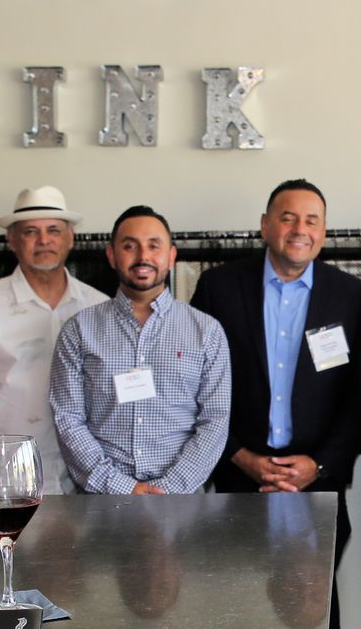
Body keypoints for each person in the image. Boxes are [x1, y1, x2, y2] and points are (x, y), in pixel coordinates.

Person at [190, 179, 361, 629]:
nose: (300, 229)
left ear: (326, 229)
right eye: (288, 217)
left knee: (314, 610)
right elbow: (205, 384)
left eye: (313, 219)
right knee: (241, 609)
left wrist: (318, 466)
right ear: (265, 223)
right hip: (243, 473)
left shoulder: (351, 294)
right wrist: (238, 456)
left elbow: (358, 397)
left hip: (315, 478)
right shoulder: (219, 286)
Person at [49, 206, 230, 495]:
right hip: (102, 502)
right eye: (129, 246)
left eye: (153, 245)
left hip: (183, 503)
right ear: (111, 255)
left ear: (171, 256)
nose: (142, 256)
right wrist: (122, 488)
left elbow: (216, 419)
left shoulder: (206, 331)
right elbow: (68, 418)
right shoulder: (79, 330)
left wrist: (168, 489)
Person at [0, 186, 106, 493]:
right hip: (7, 472)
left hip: (87, 471)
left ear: (70, 237)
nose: (44, 240)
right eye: (31, 231)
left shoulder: (98, 306)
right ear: (12, 240)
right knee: (11, 543)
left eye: (53, 231)